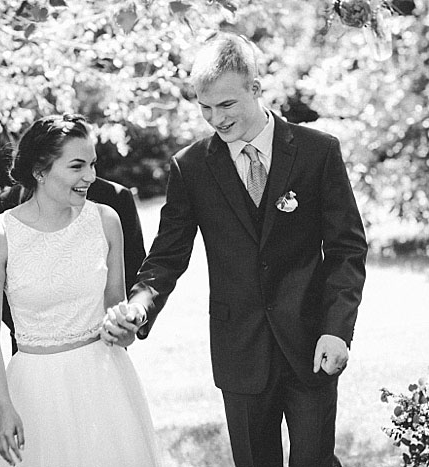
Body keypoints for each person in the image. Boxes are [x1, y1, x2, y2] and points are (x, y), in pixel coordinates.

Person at [104, 33, 368, 467]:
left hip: (311, 342)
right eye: (204, 107)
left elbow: (346, 249)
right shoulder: (190, 168)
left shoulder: (317, 152)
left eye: (225, 105)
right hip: (240, 350)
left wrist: (337, 328)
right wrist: (139, 307)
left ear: (256, 89)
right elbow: (167, 256)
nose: (215, 119)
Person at [0, 114, 160, 467]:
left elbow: (115, 307)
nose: (90, 176)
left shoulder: (106, 220)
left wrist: (124, 330)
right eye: (77, 166)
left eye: (92, 164)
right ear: (40, 171)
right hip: (35, 390)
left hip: (106, 382)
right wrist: (4, 408)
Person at [0, 172, 146, 355]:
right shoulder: (5, 206)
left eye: (91, 164)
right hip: (33, 354)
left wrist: (125, 321)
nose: (89, 175)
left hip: (103, 351)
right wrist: (40, 333)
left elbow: (131, 277)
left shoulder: (115, 200)